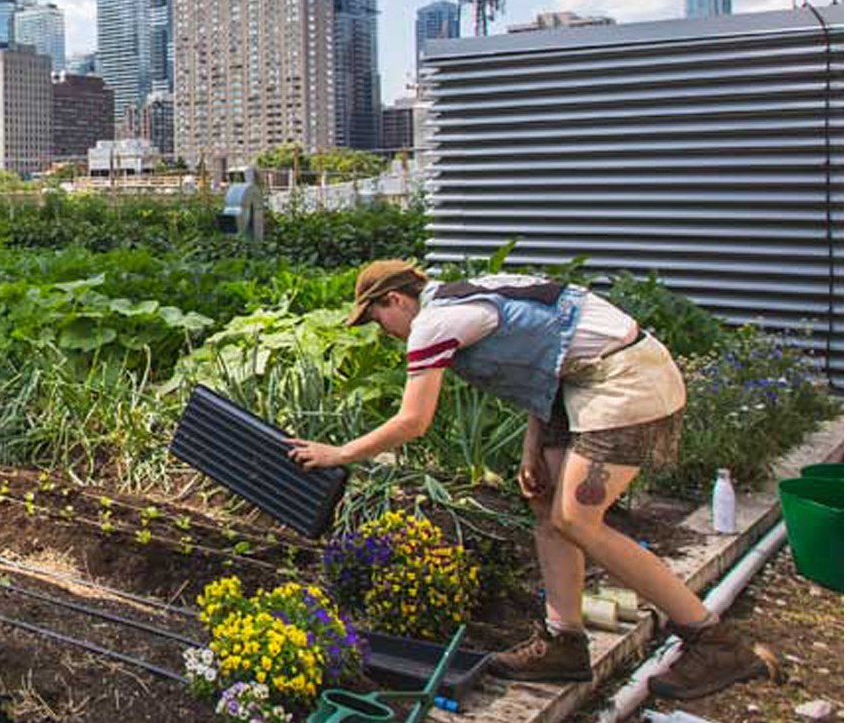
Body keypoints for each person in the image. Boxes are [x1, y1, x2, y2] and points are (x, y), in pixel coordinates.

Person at [284, 260, 773, 700]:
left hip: (624, 381)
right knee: (546, 508)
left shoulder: (435, 322)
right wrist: (532, 446)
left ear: (394, 300)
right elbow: (547, 355)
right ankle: (564, 643)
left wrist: (341, 453)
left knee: (578, 521)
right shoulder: (465, 296)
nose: (380, 331)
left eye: (375, 319)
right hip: (579, 383)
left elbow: (414, 421)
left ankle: (712, 639)